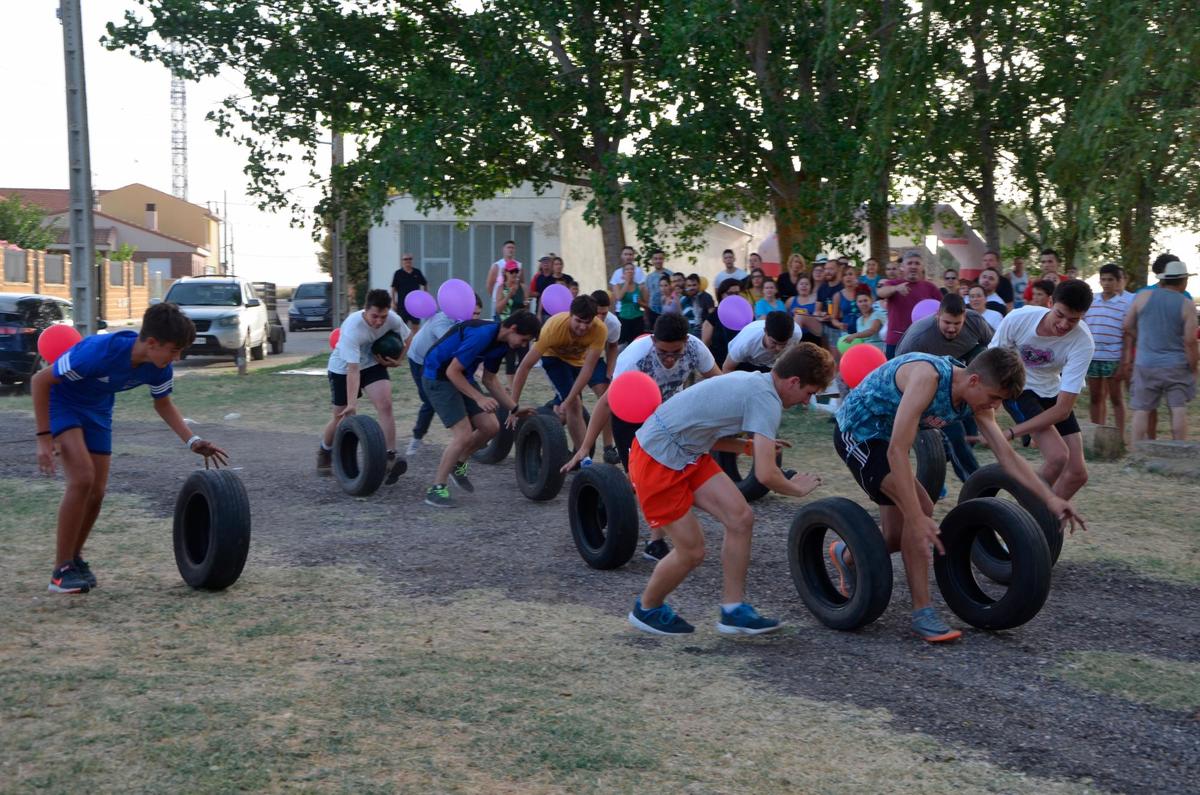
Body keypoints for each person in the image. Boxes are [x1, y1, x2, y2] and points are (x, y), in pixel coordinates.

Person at [833, 347, 1086, 642]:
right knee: (921, 509)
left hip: (887, 437)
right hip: (859, 434)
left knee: (892, 535)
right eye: (995, 398)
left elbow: (1007, 457)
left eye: (1001, 401)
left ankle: (845, 553)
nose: (996, 406)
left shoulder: (978, 398)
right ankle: (922, 613)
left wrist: (1051, 498)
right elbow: (897, 452)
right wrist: (917, 516)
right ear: (975, 380)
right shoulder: (927, 378)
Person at [627, 343, 834, 635]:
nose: (805, 401)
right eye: (809, 393)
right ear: (793, 381)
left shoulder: (758, 383)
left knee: (740, 518)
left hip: (687, 452)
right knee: (692, 551)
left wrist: (747, 446)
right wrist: (794, 488)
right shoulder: (766, 399)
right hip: (656, 459)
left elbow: (701, 428)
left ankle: (733, 611)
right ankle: (646, 608)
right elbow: (765, 475)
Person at [31, 303, 227, 594]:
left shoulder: (158, 367)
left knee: (97, 491)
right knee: (82, 478)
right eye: (174, 350)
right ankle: (60, 571)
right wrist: (44, 437)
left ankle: (75, 558)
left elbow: (163, 404)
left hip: (99, 409)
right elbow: (40, 381)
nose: (177, 357)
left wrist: (192, 440)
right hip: (64, 403)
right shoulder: (99, 352)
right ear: (151, 343)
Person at [565, 312, 723, 560]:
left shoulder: (695, 349)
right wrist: (585, 446)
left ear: (685, 342)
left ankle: (655, 542)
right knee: (638, 480)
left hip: (667, 414)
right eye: (663, 353)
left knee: (661, 475)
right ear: (653, 342)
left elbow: (720, 384)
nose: (669, 360)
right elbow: (607, 403)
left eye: (675, 353)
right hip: (630, 415)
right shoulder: (635, 357)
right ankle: (606, 501)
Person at [421, 311, 541, 507]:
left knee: (491, 427)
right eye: (524, 339)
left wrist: (514, 408)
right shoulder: (482, 335)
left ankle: (458, 463)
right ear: (513, 329)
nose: (524, 344)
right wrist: (478, 398)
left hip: (462, 376)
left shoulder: (502, 345)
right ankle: (436, 489)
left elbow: (489, 379)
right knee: (463, 435)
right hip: (438, 377)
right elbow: (451, 371)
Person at [990, 280, 1096, 500]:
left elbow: (1063, 410)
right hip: (1018, 386)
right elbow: (992, 362)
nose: (1065, 324)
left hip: (1050, 389)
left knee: (1077, 473)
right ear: (1050, 302)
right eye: (1060, 315)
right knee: (1058, 457)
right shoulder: (1019, 319)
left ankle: (1039, 522)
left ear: (1083, 316)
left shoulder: (1083, 342)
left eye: (1074, 320)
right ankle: (1021, 522)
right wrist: (990, 404)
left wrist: (1011, 432)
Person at [895, 294, 995, 482]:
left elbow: (995, 348)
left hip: (959, 377)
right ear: (937, 316)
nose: (952, 328)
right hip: (925, 382)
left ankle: (936, 460)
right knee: (956, 435)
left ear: (965, 317)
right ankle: (977, 486)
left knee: (968, 434)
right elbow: (898, 371)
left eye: (957, 323)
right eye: (947, 322)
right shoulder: (919, 337)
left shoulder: (975, 322)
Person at [318, 289, 411, 482]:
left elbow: (408, 338)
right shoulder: (353, 328)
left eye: (382, 317)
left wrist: (398, 360)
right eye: (374, 316)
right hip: (343, 368)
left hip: (371, 364)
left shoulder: (392, 318)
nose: (379, 321)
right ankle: (325, 451)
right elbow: (353, 370)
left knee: (386, 405)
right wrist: (352, 404)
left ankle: (390, 458)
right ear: (365, 310)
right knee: (340, 417)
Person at [509, 295, 608, 453]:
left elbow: (588, 369)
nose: (582, 327)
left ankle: (543, 419)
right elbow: (524, 367)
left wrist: (567, 401)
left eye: (587, 322)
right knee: (575, 405)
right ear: (570, 315)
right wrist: (512, 406)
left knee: (567, 407)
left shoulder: (600, 330)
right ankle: (585, 461)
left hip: (577, 362)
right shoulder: (553, 328)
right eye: (578, 321)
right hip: (553, 357)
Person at [1121, 260, 1198, 441]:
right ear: (1184, 281)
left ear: (1163, 279)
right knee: (1178, 408)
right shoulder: (1187, 305)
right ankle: (1179, 451)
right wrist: (1194, 366)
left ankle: (1137, 453)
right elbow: (1190, 341)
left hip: (1145, 363)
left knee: (1142, 409)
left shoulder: (1142, 297)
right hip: (1176, 365)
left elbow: (1127, 326)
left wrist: (1143, 339)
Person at [404, 295, 485, 457]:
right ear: (463, 309)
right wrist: (478, 371)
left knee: (464, 389)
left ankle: (475, 436)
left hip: (441, 360)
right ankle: (417, 437)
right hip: (420, 360)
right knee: (430, 400)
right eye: (473, 313)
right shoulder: (442, 323)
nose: (476, 318)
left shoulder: (465, 322)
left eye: (478, 314)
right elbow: (455, 350)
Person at [1084, 263, 1132, 432]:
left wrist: (1125, 361)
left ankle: (1119, 435)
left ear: (1118, 281)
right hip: (1094, 356)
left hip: (1113, 357)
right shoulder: (1091, 301)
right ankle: (1098, 432)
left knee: (1116, 397)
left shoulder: (1124, 304)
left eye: (1110, 279)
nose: (1106, 283)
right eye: (1103, 279)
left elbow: (1127, 335)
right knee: (1096, 397)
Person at [877, 250, 943, 358]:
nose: (913, 266)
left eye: (917, 263)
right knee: (894, 374)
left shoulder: (930, 287)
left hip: (921, 341)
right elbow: (881, 292)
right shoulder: (893, 284)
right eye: (910, 263)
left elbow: (943, 307)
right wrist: (896, 289)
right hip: (896, 341)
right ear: (902, 267)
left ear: (922, 267)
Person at [590, 290, 623, 463]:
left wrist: (610, 372)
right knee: (571, 404)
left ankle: (608, 448)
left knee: (607, 399)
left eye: (604, 313)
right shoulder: (581, 316)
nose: (601, 317)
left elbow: (612, 347)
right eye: (598, 313)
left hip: (595, 361)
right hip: (574, 359)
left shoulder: (613, 324)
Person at [722, 311, 804, 373]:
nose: (778, 349)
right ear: (765, 331)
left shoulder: (796, 334)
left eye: (783, 344)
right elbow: (727, 368)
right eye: (774, 343)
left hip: (771, 363)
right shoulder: (745, 343)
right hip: (744, 363)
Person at [703, 279, 748, 367]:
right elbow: (706, 343)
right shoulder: (713, 316)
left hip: (743, 363)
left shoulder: (746, 313)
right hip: (720, 364)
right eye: (730, 293)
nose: (734, 296)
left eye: (737, 293)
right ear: (721, 295)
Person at [389, 252, 428, 330]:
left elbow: (425, 284)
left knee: (416, 327)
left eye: (410, 259)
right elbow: (393, 288)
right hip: (402, 305)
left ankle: (415, 342)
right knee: (402, 328)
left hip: (415, 305)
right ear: (402, 261)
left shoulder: (417, 272)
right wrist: (393, 302)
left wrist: (424, 298)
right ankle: (404, 342)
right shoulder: (398, 273)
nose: (408, 261)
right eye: (405, 259)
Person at [612, 262, 648, 343]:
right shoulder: (619, 285)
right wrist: (627, 282)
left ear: (634, 272)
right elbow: (619, 297)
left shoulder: (640, 286)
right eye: (627, 269)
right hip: (624, 318)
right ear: (623, 273)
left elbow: (647, 305)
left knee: (637, 343)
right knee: (623, 344)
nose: (630, 271)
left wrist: (640, 302)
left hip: (637, 318)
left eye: (632, 269)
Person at [485, 240, 520, 317]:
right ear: (503, 249)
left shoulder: (519, 265)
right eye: (508, 247)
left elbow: (521, 282)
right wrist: (496, 296)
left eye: (513, 248)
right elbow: (489, 285)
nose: (510, 249)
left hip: (515, 301)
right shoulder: (497, 265)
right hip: (500, 300)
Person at [828, 266, 862, 344]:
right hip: (847, 333)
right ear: (842, 278)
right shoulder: (838, 295)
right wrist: (839, 324)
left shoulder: (862, 291)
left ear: (855, 276)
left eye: (850, 274)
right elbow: (833, 318)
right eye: (845, 275)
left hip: (863, 332)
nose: (848, 277)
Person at [643, 248, 672, 329]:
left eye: (660, 258)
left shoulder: (670, 274)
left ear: (663, 259)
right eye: (655, 259)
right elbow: (647, 297)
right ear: (652, 261)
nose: (658, 261)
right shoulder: (649, 277)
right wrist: (646, 314)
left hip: (667, 310)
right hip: (653, 311)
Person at [529, 255, 558, 320]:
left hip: (553, 311)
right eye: (543, 261)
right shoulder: (537, 277)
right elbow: (530, 293)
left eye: (547, 261)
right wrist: (540, 294)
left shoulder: (555, 277)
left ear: (551, 263)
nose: (545, 263)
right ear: (541, 264)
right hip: (540, 311)